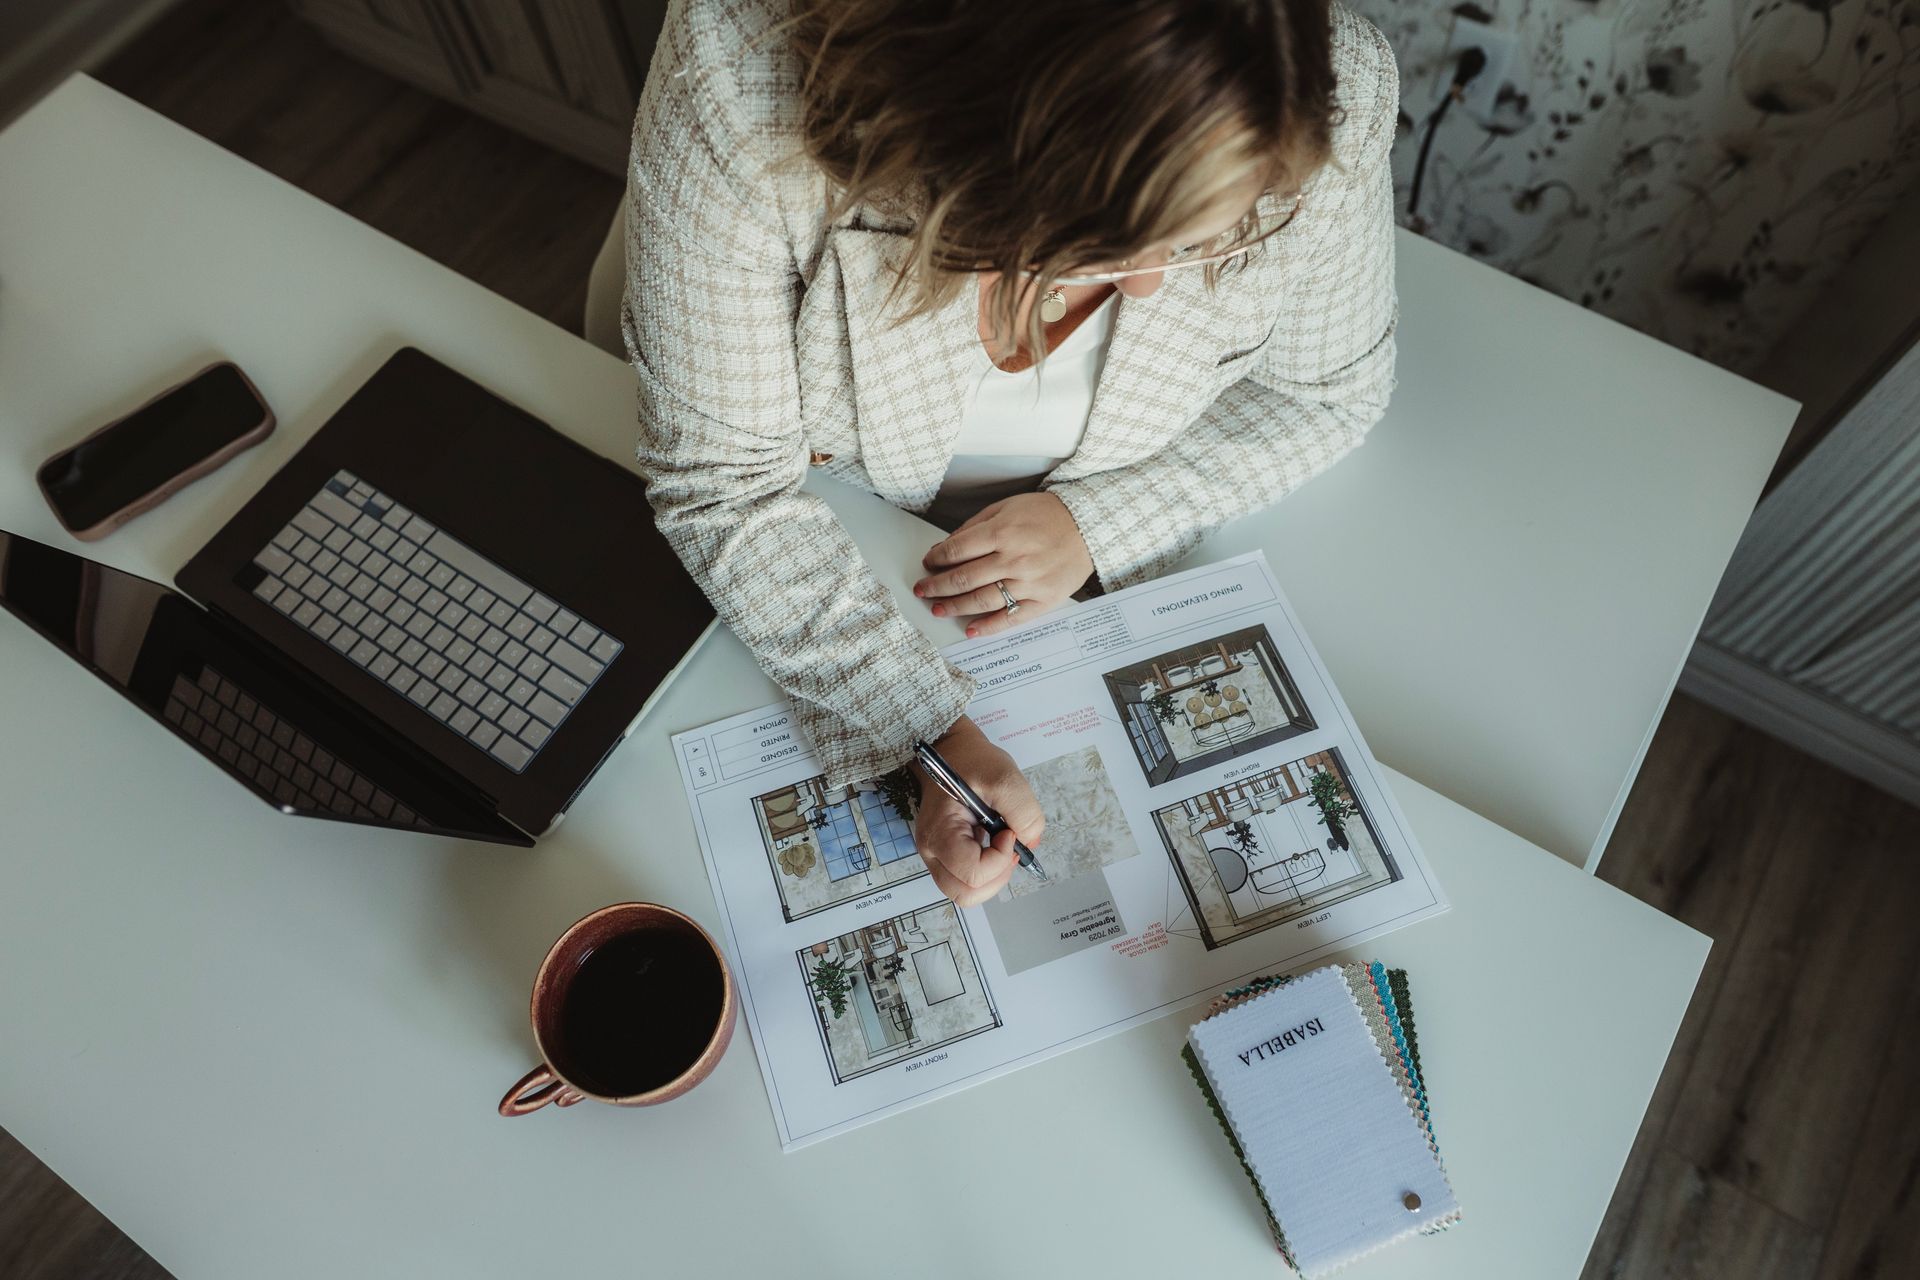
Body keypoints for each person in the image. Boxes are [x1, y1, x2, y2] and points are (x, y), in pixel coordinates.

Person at [620, 0, 1399, 907]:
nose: (1146, 284)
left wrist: (1097, 525)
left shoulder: (1335, 86)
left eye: (1190, 238)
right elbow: (726, 481)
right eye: (1100, 242)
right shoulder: (734, 64)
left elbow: (1324, 393)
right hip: (821, 498)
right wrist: (930, 734)